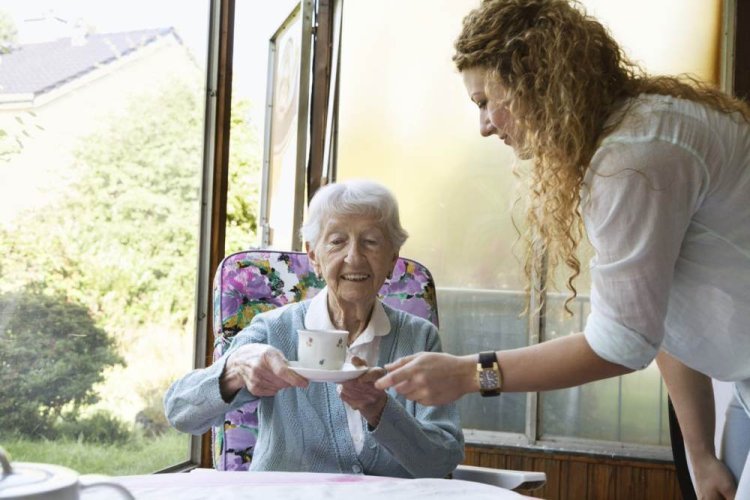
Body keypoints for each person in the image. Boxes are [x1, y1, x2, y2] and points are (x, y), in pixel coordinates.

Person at [374, 1, 750, 497]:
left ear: (534, 78)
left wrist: (470, 373)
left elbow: (622, 343)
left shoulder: (633, 158)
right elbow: (657, 316)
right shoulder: (639, 132)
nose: (484, 125)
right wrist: (699, 452)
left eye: (485, 100)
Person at [165, 179, 464, 478]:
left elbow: (442, 461)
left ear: (392, 259)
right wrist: (234, 371)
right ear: (313, 256)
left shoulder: (419, 338)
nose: (354, 257)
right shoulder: (274, 330)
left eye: (371, 241)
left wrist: (380, 409)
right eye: (337, 241)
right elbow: (180, 412)